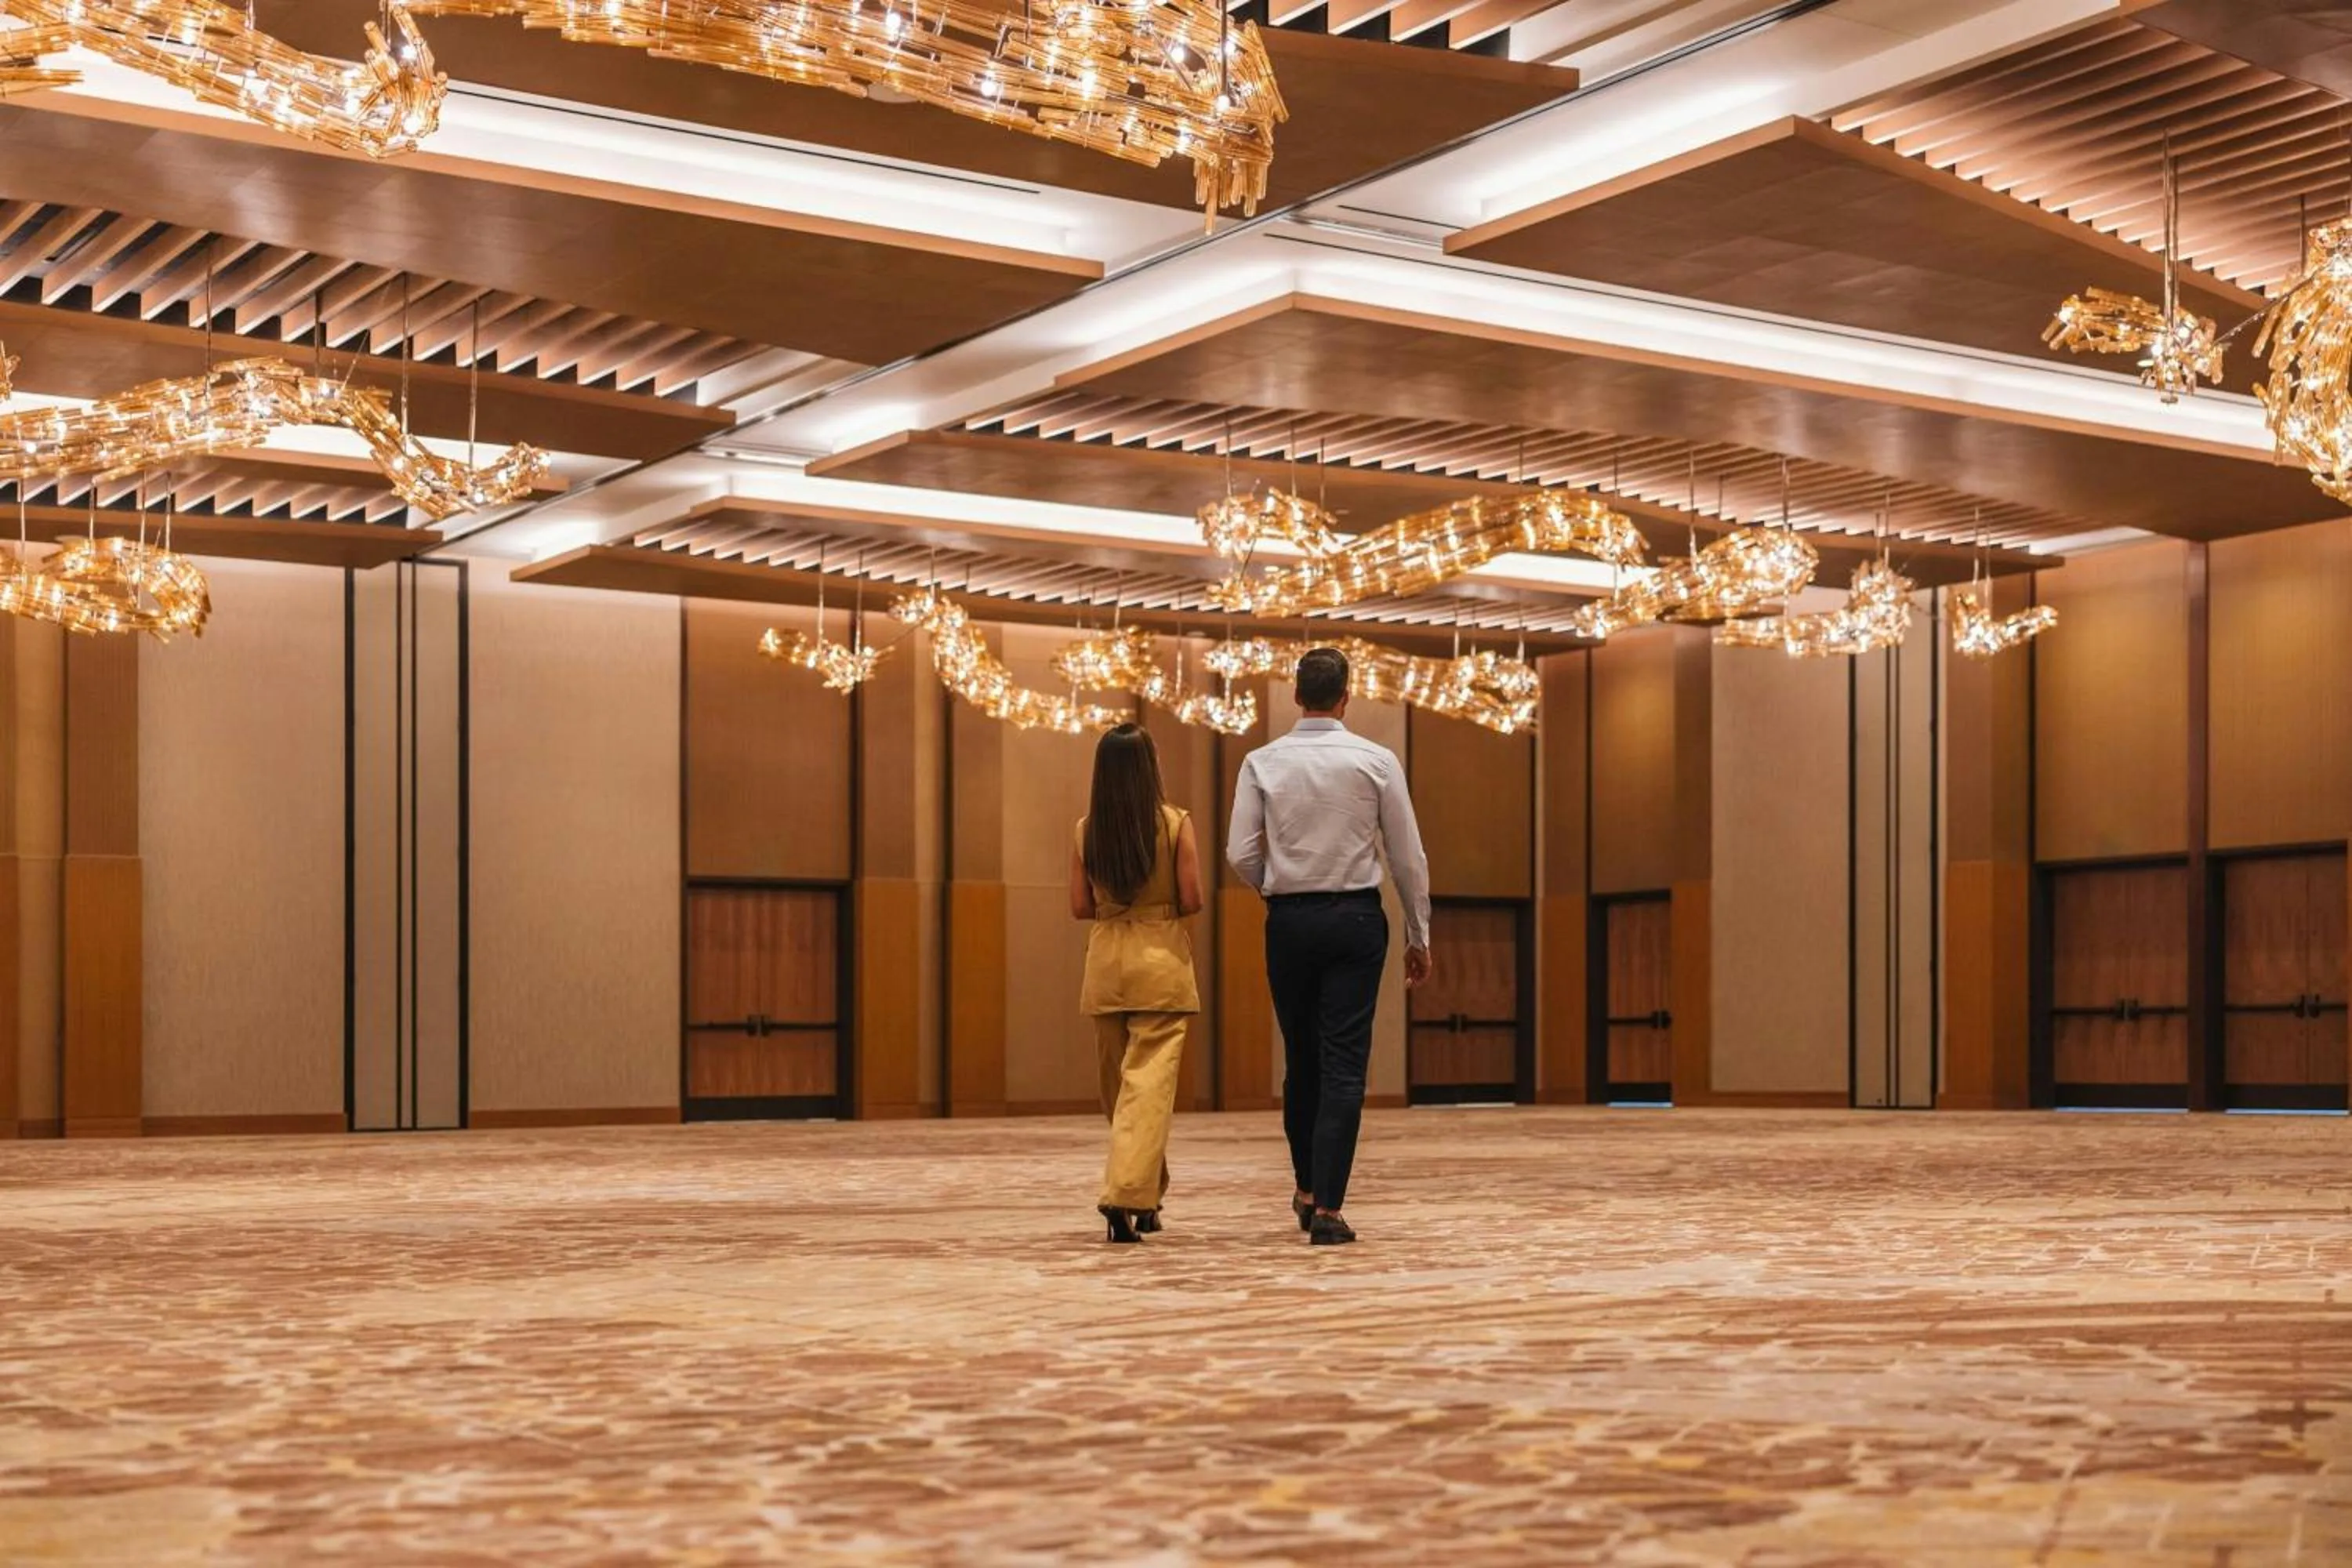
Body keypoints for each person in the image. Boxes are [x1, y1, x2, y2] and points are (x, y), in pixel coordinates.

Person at [1226, 647, 1431, 1247]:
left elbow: (1240, 852)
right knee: (1344, 1065)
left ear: (1296, 695)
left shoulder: (1261, 761)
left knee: (1303, 1061)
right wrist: (1420, 935)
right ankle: (1330, 1211)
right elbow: (1406, 857)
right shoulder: (1376, 761)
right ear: (1348, 695)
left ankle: (1308, 1188)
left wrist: (1275, 886)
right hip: (1355, 921)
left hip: (1288, 920)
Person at [1070, 722, 1204, 1244]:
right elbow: (1192, 898)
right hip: (1160, 962)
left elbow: (1080, 907)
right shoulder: (1175, 824)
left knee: (1120, 1090)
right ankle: (1126, 1193)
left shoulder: (1085, 830)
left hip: (1106, 963)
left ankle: (1148, 1192)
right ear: (1151, 769)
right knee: (1149, 1088)